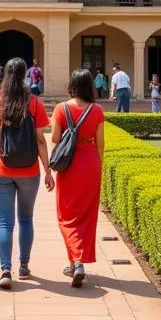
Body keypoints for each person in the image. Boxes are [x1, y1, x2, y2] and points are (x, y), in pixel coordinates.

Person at [0, 57, 53, 289]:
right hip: (29, 170)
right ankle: (23, 266)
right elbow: (41, 140)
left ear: (5, 75)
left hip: (1, 169)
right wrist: (48, 170)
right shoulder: (34, 103)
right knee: (26, 219)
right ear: (24, 75)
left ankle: (5, 270)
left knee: (5, 222)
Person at [50, 68, 105, 289]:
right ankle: (76, 261)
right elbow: (100, 143)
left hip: (69, 165)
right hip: (90, 163)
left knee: (66, 215)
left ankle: (77, 262)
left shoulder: (61, 109)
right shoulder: (97, 110)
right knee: (86, 215)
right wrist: (98, 167)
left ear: (71, 85)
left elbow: (54, 138)